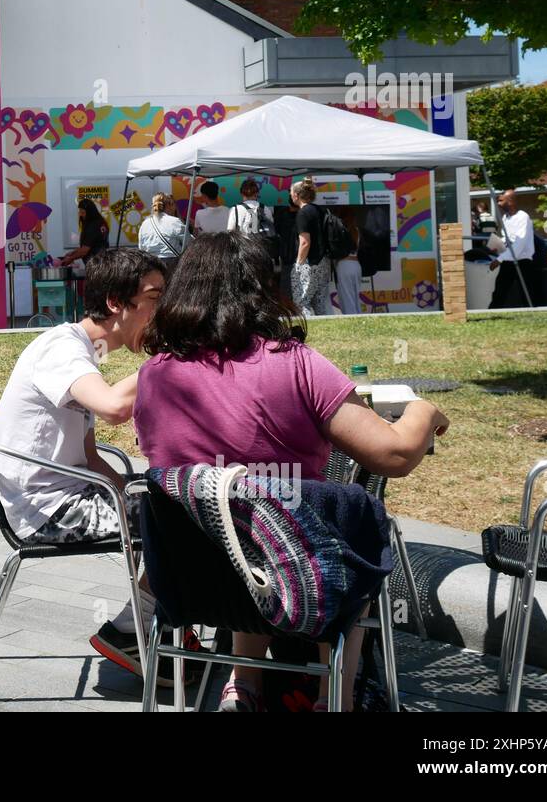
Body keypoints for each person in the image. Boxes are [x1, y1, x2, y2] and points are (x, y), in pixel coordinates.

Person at [135, 232, 450, 711]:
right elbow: (394, 456)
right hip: (300, 572)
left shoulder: (155, 373)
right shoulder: (294, 363)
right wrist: (425, 411)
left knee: (238, 514)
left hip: (191, 581)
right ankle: (334, 696)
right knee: (333, 527)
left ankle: (244, 685)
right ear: (264, 287)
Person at [0, 248, 167, 680]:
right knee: (188, 519)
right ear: (115, 303)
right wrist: (167, 362)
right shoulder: (61, 349)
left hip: (68, 495)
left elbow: (88, 457)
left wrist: (135, 488)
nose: (161, 309)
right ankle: (135, 627)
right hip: (48, 510)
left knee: (173, 504)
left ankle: (150, 624)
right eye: (154, 297)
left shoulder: (85, 355)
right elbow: (111, 407)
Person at [291, 179, 334, 317]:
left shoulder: (303, 213)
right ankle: (328, 331)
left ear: (297, 195)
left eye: (291, 192)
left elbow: (305, 242)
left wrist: (298, 264)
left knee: (302, 302)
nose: (290, 195)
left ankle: (309, 332)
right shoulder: (320, 210)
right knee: (320, 302)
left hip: (309, 264)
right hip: (324, 262)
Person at [489, 189, 537, 308]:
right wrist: (497, 245)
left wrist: (499, 259)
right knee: (500, 289)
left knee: (526, 291)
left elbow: (519, 244)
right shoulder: (506, 218)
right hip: (509, 259)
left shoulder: (523, 217)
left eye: (501, 200)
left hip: (523, 261)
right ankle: (493, 312)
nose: (498, 204)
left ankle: (531, 312)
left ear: (510, 201)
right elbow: (507, 238)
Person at [137, 192, 187, 272]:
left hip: (151, 263)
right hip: (171, 262)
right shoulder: (174, 221)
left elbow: (141, 247)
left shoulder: (145, 223)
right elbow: (188, 242)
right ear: (170, 205)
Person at [330, 207, 363, 315]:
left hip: (344, 265)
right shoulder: (356, 230)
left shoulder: (339, 230)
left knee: (346, 297)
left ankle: (350, 317)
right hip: (356, 264)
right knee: (355, 296)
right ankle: (358, 316)